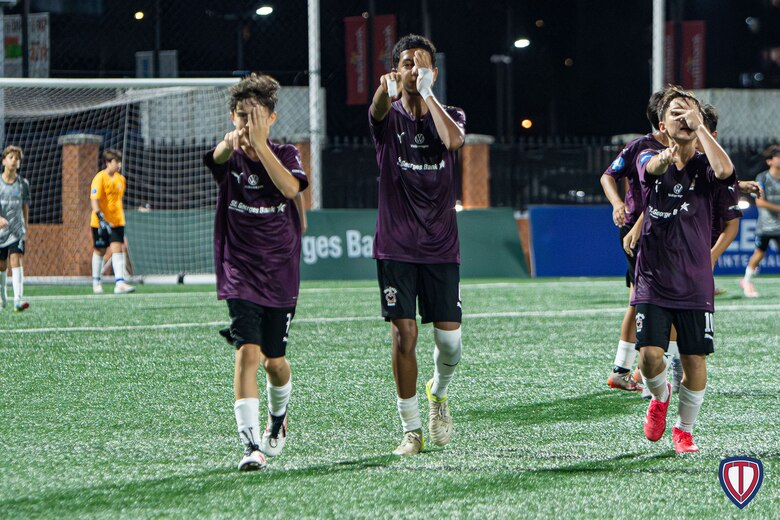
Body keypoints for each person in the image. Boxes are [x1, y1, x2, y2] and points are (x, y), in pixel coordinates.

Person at [203, 73, 308, 471]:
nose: (248, 124)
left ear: (272, 119)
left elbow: (291, 189)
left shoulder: (286, 153)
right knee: (247, 352)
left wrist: (261, 146)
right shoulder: (230, 157)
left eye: (257, 116)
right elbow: (215, 158)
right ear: (233, 117)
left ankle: (278, 419)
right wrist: (227, 144)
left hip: (280, 271)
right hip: (239, 270)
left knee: (274, 362)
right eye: (242, 116)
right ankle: (250, 446)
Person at [369, 34, 466, 455]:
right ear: (396, 70)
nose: (414, 70)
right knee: (404, 335)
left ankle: (437, 393)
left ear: (434, 73)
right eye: (407, 63)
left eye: (422, 64)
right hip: (396, 244)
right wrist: (382, 91)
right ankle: (411, 430)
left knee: (450, 344)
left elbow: (454, 141)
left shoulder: (451, 114)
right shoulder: (389, 116)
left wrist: (428, 96)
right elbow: (376, 111)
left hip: (441, 244)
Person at [633, 86, 736, 454]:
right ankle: (660, 396)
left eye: (689, 112)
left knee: (694, 359)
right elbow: (652, 168)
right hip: (653, 276)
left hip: (694, 280)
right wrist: (669, 154)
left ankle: (684, 430)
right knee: (649, 357)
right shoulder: (648, 154)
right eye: (675, 112)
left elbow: (725, 171)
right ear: (662, 125)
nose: (683, 117)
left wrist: (700, 127)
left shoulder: (707, 165)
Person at [600, 91, 671, 392]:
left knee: (638, 297)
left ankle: (623, 369)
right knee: (653, 298)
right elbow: (607, 176)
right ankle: (655, 368)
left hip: (666, 230)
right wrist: (617, 203)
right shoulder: (641, 147)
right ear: (662, 119)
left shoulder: (686, 147)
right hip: (638, 231)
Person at [90, 149, 135, 294]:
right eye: (116, 161)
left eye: (120, 161)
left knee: (118, 249)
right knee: (100, 250)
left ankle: (119, 283)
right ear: (108, 163)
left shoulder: (121, 180)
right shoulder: (99, 178)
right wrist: (100, 216)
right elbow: (94, 199)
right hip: (101, 222)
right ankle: (96, 282)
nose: (119, 164)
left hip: (117, 222)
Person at [741, 144, 780, 298]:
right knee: (759, 254)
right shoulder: (762, 178)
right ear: (769, 161)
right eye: (777, 156)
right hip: (766, 226)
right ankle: (747, 281)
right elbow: (760, 202)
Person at [0, 145, 30, 312]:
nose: (14, 161)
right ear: (4, 161)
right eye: (11, 157)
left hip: (16, 230)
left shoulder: (23, 184)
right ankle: (2, 297)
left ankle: (18, 300)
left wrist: (25, 226)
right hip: (1, 232)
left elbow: (25, 206)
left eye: (17, 159)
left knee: (16, 258)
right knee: (1, 266)